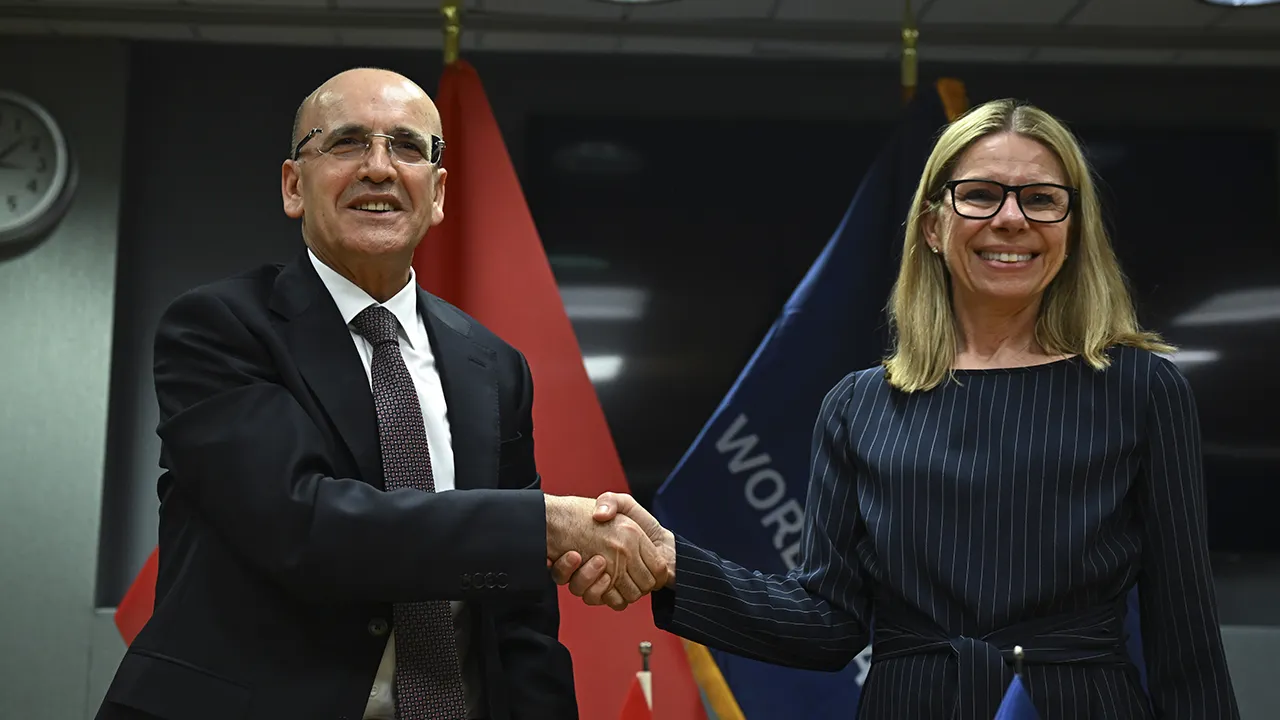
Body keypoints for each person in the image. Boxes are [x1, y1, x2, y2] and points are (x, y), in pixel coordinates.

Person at [556, 99, 1241, 719]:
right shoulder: (858, 406)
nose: (1011, 218)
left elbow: (1185, 635)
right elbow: (826, 624)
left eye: (1041, 199)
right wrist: (673, 563)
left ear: (1073, 228)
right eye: (980, 195)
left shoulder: (1143, 390)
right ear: (934, 226)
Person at [95, 67, 668, 720]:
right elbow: (302, 525)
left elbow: (520, 617)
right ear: (293, 186)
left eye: (406, 147)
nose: (378, 168)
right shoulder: (218, 330)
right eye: (346, 143)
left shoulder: (495, 366)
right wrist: (540, 524)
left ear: (438, 193)